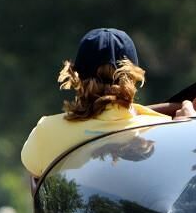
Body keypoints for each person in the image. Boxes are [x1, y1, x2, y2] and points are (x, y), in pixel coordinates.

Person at [21, 28, 170, 179]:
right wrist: (185, 118)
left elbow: (35, 176)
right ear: (133, 78)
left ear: (76, 77)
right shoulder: (163, 130)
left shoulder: (46, 131)